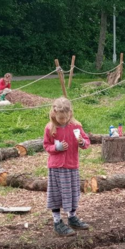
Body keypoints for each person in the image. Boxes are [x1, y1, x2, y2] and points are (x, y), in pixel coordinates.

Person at [43, 97, 91, 236]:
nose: (63, 120)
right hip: (56, 167)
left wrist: (82, 142)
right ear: (54, 114)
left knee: (72, 193)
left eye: (65, 117)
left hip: (71, 166)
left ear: (70, 113)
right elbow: (46, 145)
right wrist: (56, 147)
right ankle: (57, 222)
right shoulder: (50, 128)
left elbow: (86, 142)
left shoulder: (76, 127)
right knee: (57, 194)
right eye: (60, 118)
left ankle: (72, 218)